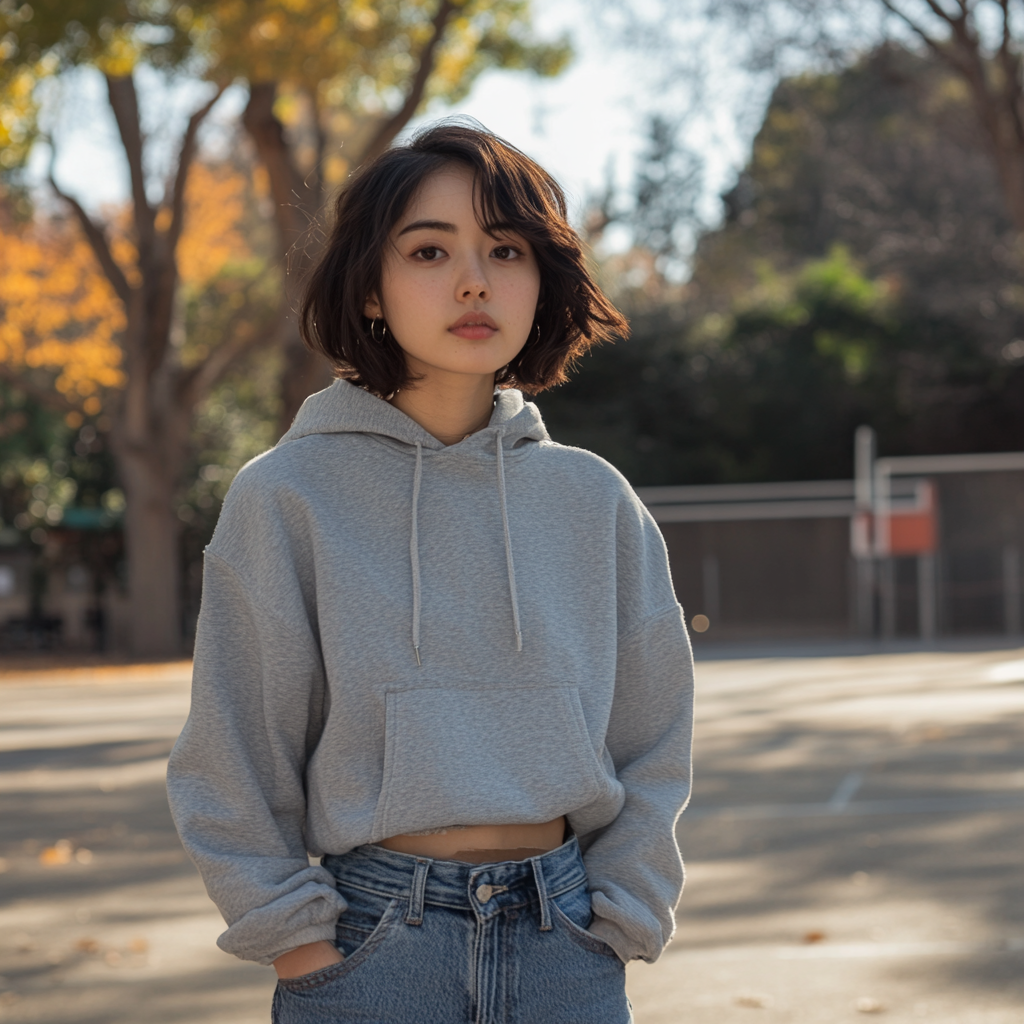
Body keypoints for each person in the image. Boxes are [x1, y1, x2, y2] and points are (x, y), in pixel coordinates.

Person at [167, 121, 694, 1024]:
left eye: (506, 248)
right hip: (372, 951)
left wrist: (622, 915)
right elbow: (233, 756)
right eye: (428, 249)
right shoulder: (288, 496)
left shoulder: (594, 499)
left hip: (563, 942)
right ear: (371, 286)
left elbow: (655, 736)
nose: (473, 279)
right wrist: (298, 946)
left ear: (543, 279)